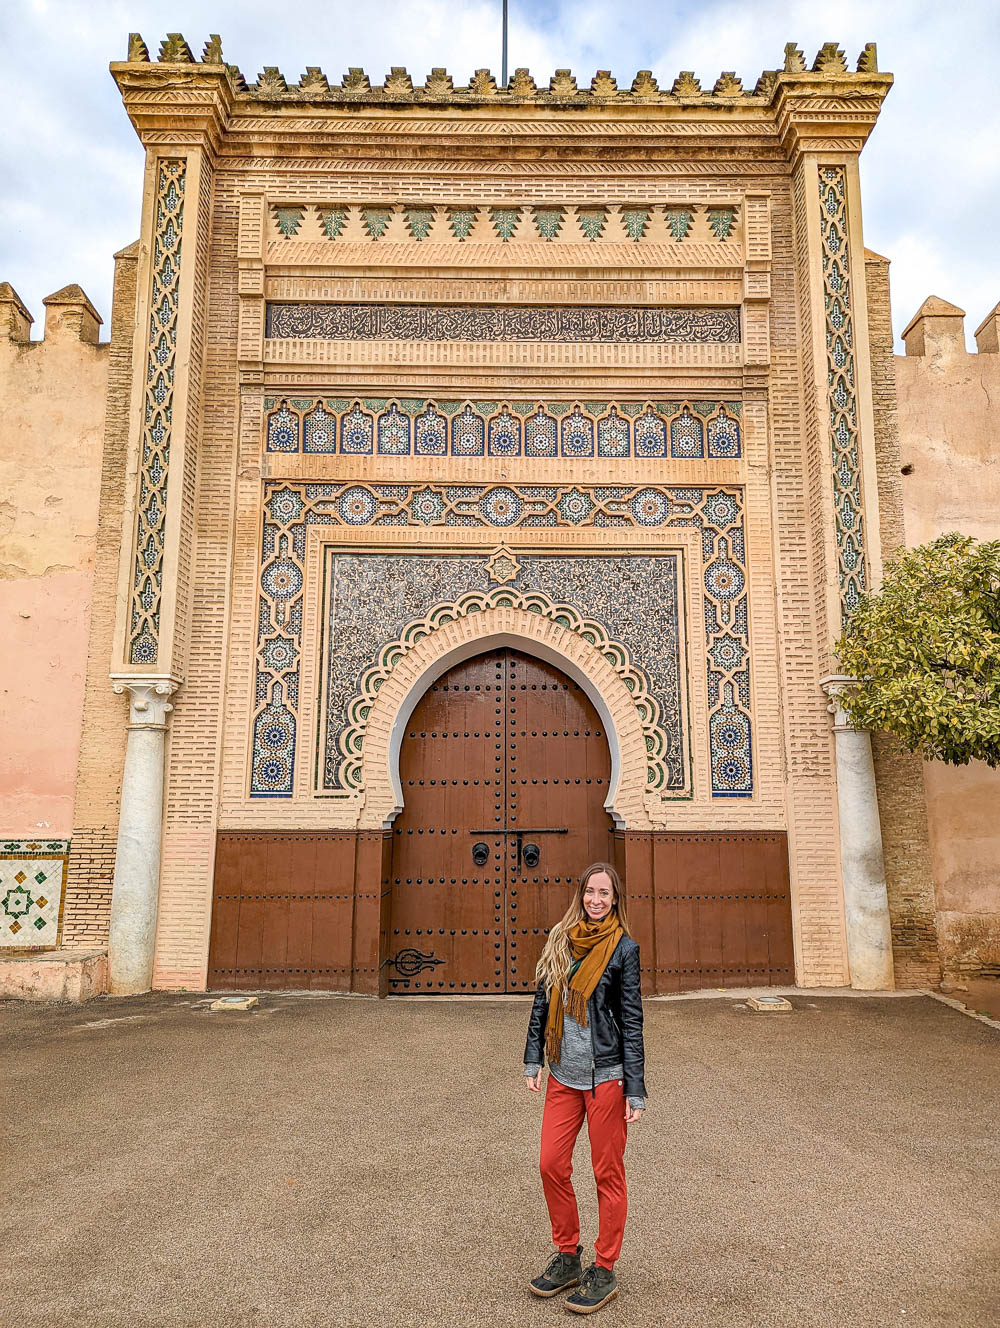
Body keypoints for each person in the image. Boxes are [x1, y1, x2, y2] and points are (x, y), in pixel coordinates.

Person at [523, 862, 646, 1315]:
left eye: (605, 894)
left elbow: (631, 1021)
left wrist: (635, 1087)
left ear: (615, 900)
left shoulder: (623, 950)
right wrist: (533, 1056)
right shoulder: (560, 940)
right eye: (591, 892)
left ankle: (605, 1267)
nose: (596, 900)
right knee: (551, 1164)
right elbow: (542, 1003)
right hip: (562, 1073)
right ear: (581, 895)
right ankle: (569, 1256)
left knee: (606, 1173)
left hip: (606, 1077)